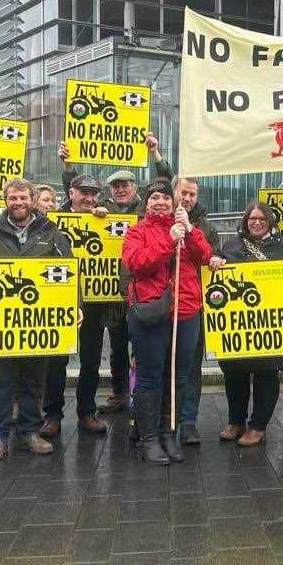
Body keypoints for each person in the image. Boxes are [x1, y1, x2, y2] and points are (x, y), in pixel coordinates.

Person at [0, 178, 73, 461]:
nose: (18, 203)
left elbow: (68, 271)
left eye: (23, 198)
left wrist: (74, 305)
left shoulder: (51, 232)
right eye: (13, 198)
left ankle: (30, 432)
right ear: (6, 200)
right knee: (2, 380)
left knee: (33, 380)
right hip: (3, 322)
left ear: (32, 200)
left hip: (38, 321)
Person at [122, 179, 213, 464]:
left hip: (185, 311)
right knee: (149, 376)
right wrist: (169, 240)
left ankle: (167, 434)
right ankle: (148, 438)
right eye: (154, 198)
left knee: (179, 375)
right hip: (151, 312)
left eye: (165, 198)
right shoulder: (136, 232)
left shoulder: (186, 227)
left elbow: (205, 256)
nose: (160, 202)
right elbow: (137, 264)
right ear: (146, 203)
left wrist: (190, 230)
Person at [214, 202, 283, 446]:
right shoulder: (231, 246)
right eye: (252, 218)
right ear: (245, 221)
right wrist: (216, 262)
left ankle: (258, 426)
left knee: (266, 374)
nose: (256, 222)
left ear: (270, 222)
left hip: (268, 326)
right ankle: (236, 421)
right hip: (238, 327)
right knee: (234, 374)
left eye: (262, 219)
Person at [41, 173, 109, 438]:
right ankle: (52, 415)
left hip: (92, 302)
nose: (89, 198)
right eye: (84, 193)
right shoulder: (51, 221)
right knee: (55, 360)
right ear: (71, 193)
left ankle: (86, 412)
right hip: (60, 300)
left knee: (91, 360)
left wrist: (107, 218)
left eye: (94, 194)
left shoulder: (101, 217)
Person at [87, 168, 146, 415]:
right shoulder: (101, 209)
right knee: (118, 346)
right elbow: (73, 206)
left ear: (135, 187)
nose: (120, 190)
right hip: (111, 292)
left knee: (142, 346)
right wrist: (94, 215)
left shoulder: (145, 211)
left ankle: (141, 394)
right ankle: (120, 393)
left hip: (140, 289)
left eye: (125, 185)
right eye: (116, 186)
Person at [172, 175, 222, 444]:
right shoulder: (156, 220)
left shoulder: (206, 227)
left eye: (192, 194)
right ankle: (164, 420)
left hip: (193, 307)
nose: (188, 198)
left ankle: (188, 421)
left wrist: (216, 259)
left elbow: (212, 255)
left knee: (191, 367)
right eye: (184, 193)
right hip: (161, 308)